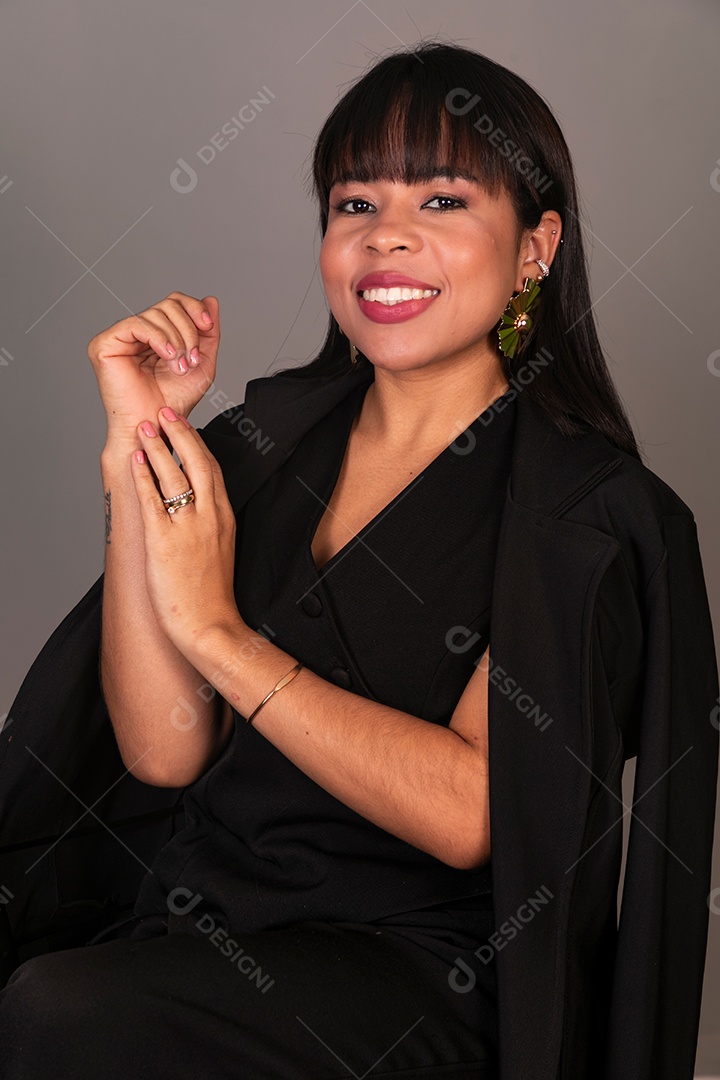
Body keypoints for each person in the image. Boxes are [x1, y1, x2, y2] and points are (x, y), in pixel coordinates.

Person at [0, 41, 717, 1080]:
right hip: (202, 928)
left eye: (442, 203)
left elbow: (472, 813)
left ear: (535, 247)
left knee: (65, 1016)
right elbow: (164, 753)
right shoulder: (264, 443)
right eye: (354, 204)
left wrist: (216, 633)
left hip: (422, 978)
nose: (387, 241)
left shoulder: (582, 512)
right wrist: (138, 447)